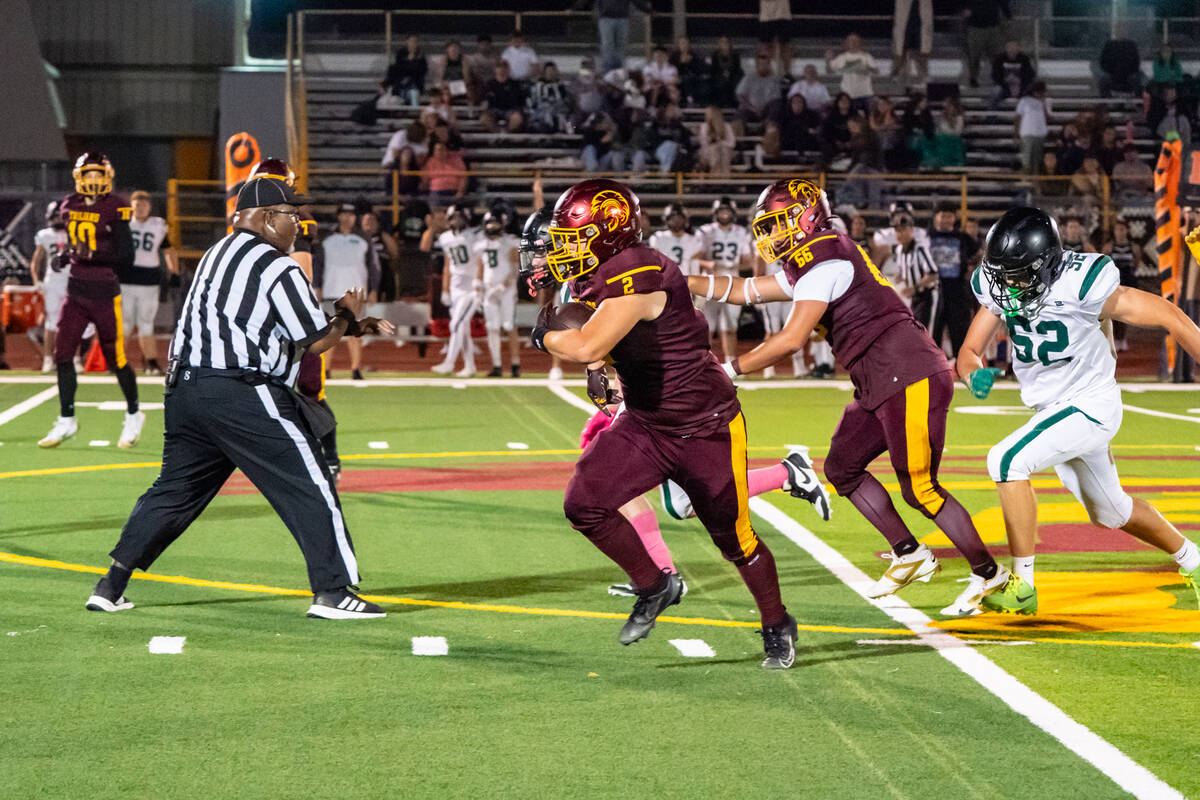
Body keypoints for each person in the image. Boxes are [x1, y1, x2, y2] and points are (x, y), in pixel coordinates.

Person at [689, 178, 1008, 615]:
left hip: (908, 372)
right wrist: (682, 281)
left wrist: (728, 370)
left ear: (806, 217)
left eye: (779, 223)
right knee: (842, 467)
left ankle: (990, 575)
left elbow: (790, 339)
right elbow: (746, 290)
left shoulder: (825, 257)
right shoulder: (810, 257)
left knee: (921, 488)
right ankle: (909, 553)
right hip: (880, 379)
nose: (772, 234)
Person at [84, 176, 395, 619]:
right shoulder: (276, 265)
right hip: (240, 391)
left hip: (184, 390)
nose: (298, 223)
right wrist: (346, 315)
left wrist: (350, 324)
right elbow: (316, 341)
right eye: (292, 214)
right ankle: (332, 592)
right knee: (310, 482)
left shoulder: (215, 254)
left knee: (173, 491)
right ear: (268, 219)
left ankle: (110, 585)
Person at [529, 177, 802, 669]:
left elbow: (589, 342)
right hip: (647, 421)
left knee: (734, 540)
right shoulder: (605, 270)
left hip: (706, 425)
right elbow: (605, 346)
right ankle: (655, 585)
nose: (565, 250)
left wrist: (545, 337)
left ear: (608, 231)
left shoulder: (638, 270)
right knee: (584, 503)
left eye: (574, 237)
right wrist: (601, 371)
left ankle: (777, 622)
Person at [958, 207, 1200, 615]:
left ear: (1046, 265)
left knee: (1006, 460)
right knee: (1112, 511)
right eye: (1001, 272)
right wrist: (973, 374)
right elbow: (968, 351)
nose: (1006, 284)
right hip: (1051, 410)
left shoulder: (1082, 283)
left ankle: (1022, 584)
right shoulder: (1003, 283)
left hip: (1090, 403)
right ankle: (1193, 558)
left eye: (1016, 273)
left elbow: (1169, 315)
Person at [39, 152, 144, 451]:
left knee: (116, 360)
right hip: (76, 291)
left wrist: (93, 255)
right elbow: (76, 244)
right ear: (79, 177)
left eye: (99, 175)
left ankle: (134, 414)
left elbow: (127, 256)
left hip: (103, 292)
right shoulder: (69, 204)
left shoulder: (116, 206)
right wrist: (65, 256)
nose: (94, 180)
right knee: (62, 354)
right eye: (89, 175)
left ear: (108, 178)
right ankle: (67, 419)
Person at [120, 190, 178, 375]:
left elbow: (169, 250)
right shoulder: (124, 224)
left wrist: (174, 272)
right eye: (137, 205)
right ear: (131, 206)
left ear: (150, 207)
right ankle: (117, 361)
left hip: (149, 281)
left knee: (146, 323)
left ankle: (151, 363)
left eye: (144, 205)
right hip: (126, 279)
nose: (141, 208)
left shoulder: (158, 225)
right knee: (125, 324)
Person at [696, 197, 752, 364]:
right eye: (721, 211)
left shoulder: (741, 232)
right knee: (708, 327)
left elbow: (748, 261)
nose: (724, 214)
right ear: (715, 213)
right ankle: (702, 362)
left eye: (727, 211)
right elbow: (696, 258)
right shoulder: (706, 232)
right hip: (711, 281)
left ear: (733, 214)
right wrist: (709, 264)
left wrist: (733, 266)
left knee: (730, 327)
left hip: (733, 280)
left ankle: (729, 364)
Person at [927, 202, 979, 356]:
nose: (945, 219)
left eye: (949, 216)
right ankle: (932, 371)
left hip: (958, 293)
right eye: (942, 215)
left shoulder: (964, 238)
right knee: (931, 335)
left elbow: (979, 255)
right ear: (936, 217)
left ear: (954, 218)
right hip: (933, 294)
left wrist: (973, 270)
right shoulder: (927, 237)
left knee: (960, 335)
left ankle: (962, 369)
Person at [433, 205, 479, 377]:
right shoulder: (445, 238)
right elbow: (447, 264)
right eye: (453, 218)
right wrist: (445, 290)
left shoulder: (473, 236)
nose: (455, 221)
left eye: (459, 218)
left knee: (457, 324)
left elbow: (481, 260)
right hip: (455, 287)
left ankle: (449, 363)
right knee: (463, 328)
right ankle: (469, 366)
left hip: (471, 287)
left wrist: (479, 283)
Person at [474, 210, 521, 377]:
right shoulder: (481, 244)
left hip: (506, 289)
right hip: (489, 290)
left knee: (509, 326)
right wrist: (478, 289)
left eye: (495, 223)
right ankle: (497, 365)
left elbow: (515, 266)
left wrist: (504, 285)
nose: (491, 226)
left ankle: (515, 365)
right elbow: (480, 267)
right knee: (492, 327)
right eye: (489, 223)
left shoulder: (509, 242)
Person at [30, 201, 70, 373]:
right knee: (51, 322)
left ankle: (73, 358)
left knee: (72, 322)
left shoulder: (73, 233)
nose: (58, 219)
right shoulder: (45, 235)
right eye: (56, 215)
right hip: (52, 281)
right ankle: (48, 359)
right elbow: (36, 260)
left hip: (72, 280)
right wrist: (36, 280)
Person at [1101, 215, 1143, 351]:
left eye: (1122, 229)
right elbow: (1103, 264)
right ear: (1114, 231)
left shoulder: (1134, 247)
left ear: (1127, 231)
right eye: (1117, 229)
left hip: (1128, 280)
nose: (1120, 232)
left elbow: (1136, 263)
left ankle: (1122, 338)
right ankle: (1114, 338)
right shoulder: (1108, 247)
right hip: (1113, 282)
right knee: (1113, 311)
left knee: (1124, 311)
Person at [574, 0, 650, 73]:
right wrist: (575, 8)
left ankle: (618, 72)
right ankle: (608, 73)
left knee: (620, 47)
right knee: (608, 47)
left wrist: (648, 10)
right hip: (606, 19)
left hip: (622, 19)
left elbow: (637, 1)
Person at [962, 0, 1011, 88]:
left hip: (993, 26)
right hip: (975, 27)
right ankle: (973, 78)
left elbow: (1004, 2)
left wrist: (1008, 15)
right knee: (974, 56)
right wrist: (965, 9)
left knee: (996, 56)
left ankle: (998, 78)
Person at [825, 34, 878, 115]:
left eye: (855, 41)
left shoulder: (866, 56)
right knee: (850, 118)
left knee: (870, 117)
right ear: (847, 43)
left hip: (866, 94)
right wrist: (828, 60)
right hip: (848, 95)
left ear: (859, 43)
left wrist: (867, 68)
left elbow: (876, 71)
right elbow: (829, 71)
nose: (852, 43)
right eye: (850, 41)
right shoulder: (842, 57)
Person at [647, 203, 701, 276]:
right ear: (666, 220)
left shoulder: (694, 240)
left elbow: (694, 267)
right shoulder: (658, 237)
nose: (676, 222)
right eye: (673, 219)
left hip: (685, 280)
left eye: (679, 218)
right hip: (665, 280)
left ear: (685, 220)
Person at [736, 51, 783, 133]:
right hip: (750, 109)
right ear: (756, 65)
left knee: (776, 105)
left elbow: (776, 99)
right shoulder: (748, 77)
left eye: (765, 64)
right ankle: (740, 141)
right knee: (740, 113)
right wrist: (753, 109)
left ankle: (766, 128)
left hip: (767, 111)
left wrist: (762, 108)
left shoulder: (774, 79)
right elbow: (740, 95)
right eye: (760, 64)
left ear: (769, 65)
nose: (762, 67)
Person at [1014, 80, 1050, 174]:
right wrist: (1015, 134)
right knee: (1026, 161)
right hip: (1027, 133)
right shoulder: (1024, 101)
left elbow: (1047, 117)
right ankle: (1024, 182)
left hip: (1040, 134)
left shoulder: (1046, 101)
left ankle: (1035, 183)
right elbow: (1018, 117)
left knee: (1036, 162)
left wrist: (1044, 103)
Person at [527, 61, 573, 134]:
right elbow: (533, 103)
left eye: (552, 71)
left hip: (560, 111)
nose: (550, 73)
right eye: (548, 71)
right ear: (544, 73)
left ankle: (569, 135)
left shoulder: (561, 86)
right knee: (546, 116)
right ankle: (549, 130)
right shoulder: (538, 86)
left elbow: (566, 102)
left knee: (569, 121)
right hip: (543, 112)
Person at [481, 61, 527, 133]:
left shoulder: (514, 84)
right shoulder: (489, 84)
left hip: (510, 110)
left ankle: (507, 135)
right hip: (494, 110)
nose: (502, 70)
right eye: (499, 67)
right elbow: (484, 100)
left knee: (517, 118)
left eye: (504, 67)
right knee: (485, 118)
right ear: (495, 69)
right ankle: (497, 135)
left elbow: (520, 101)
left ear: (508, 70)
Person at [381, 34, 426, 106]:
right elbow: (398, 66)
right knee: (392, 67)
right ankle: (388, 85)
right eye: (411, 41)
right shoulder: (401, 52)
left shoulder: (421, 54)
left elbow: (422, 70)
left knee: (412, 72)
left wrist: (410, 62)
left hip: (414, 79)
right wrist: (409, 62)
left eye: (415, 41)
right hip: (401, 77)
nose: (413, 43)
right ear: (407, 42)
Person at [1097, 25, 1142, 98]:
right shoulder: (1109, 44)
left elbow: (1136, 62)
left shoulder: (1131, 45)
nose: (1121, 32)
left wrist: (1127, 71)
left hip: (1129, 76)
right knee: (1103, 79)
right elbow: (1103, 61)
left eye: (1123, 30)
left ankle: (1138, 104)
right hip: (1112, 75)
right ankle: (1105, 103)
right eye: (1120, 30)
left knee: (1136, 79)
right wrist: (1112, 71)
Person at [892, 0, 932, 81]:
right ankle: (897, 74)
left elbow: (927, 14)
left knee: (922, 52)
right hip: (905, 26)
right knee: (901, 51)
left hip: (920, 26)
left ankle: (924, 74)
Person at [989, 39, 1035, 109]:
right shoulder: (999, 58)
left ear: (1019, 48)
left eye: (1014, 47)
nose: (1012, 49)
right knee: (995, 92)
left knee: (1033, 93)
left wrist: (1020, 84)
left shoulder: (1024, 59)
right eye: (1010, 47)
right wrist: (1005, 84)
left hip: (1021, 86)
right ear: (1006, 48)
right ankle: (991, 116)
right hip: (1003, 85)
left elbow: (1030, 74)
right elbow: (995, 75)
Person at [421, 141, 468, 206]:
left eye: (442, 149)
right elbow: (425, 181)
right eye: (437, 150)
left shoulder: (457, 161)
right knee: (433, 200)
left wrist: (460, 192)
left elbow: (463, 178)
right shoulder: (430, 162)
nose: (440, 152)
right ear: (434, 151)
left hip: (454, 191)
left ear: (447, 150)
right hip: (436, 192)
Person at [697, 105, 735, 175]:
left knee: (722, 150)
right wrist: (714, 144)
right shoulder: (704, 126)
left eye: (708, 114)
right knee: (715, 150)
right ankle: (718, 177)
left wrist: (721, 142)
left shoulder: (727, 126)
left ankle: (720, 177)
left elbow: (732, 143)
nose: (706, 116)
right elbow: (704, 144)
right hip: (708, 153)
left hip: (724, 152)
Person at [669, 36, 706, 107]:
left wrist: (691, 62)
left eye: (686, 44)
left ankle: (693, 101)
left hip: (692, 77)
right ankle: (689, 100)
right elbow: (671, 68)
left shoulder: (694, 55)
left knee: (691, 80)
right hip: (677, 77)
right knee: (685, 79)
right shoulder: (674, 56)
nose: (684, 46)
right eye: (682, 43)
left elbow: (699, 69)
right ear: (679, 45)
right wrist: (681, 62)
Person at [708, 36, 743, 109]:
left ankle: (733, 102)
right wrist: (722, 74)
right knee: (720, 81)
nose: (724, 44)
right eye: (722, 42)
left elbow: (738, 69)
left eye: (726, 42)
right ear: (719, 44)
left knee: (734, 81)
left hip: (733, 75)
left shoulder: (735, 55)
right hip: (719, 76)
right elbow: (713, 69)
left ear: (729, 44)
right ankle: (720, 102)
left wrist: (729, 73)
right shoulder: (715, 55)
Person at [465, 34, 499, 105]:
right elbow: (473, 74)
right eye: (482, 44)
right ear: (478, 45)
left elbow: (496, 73)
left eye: (487, 44)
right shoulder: (473, 58)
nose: (484, 46)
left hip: (492, 83)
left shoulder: (495, 58)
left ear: (490, 45)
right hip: (478, 84)